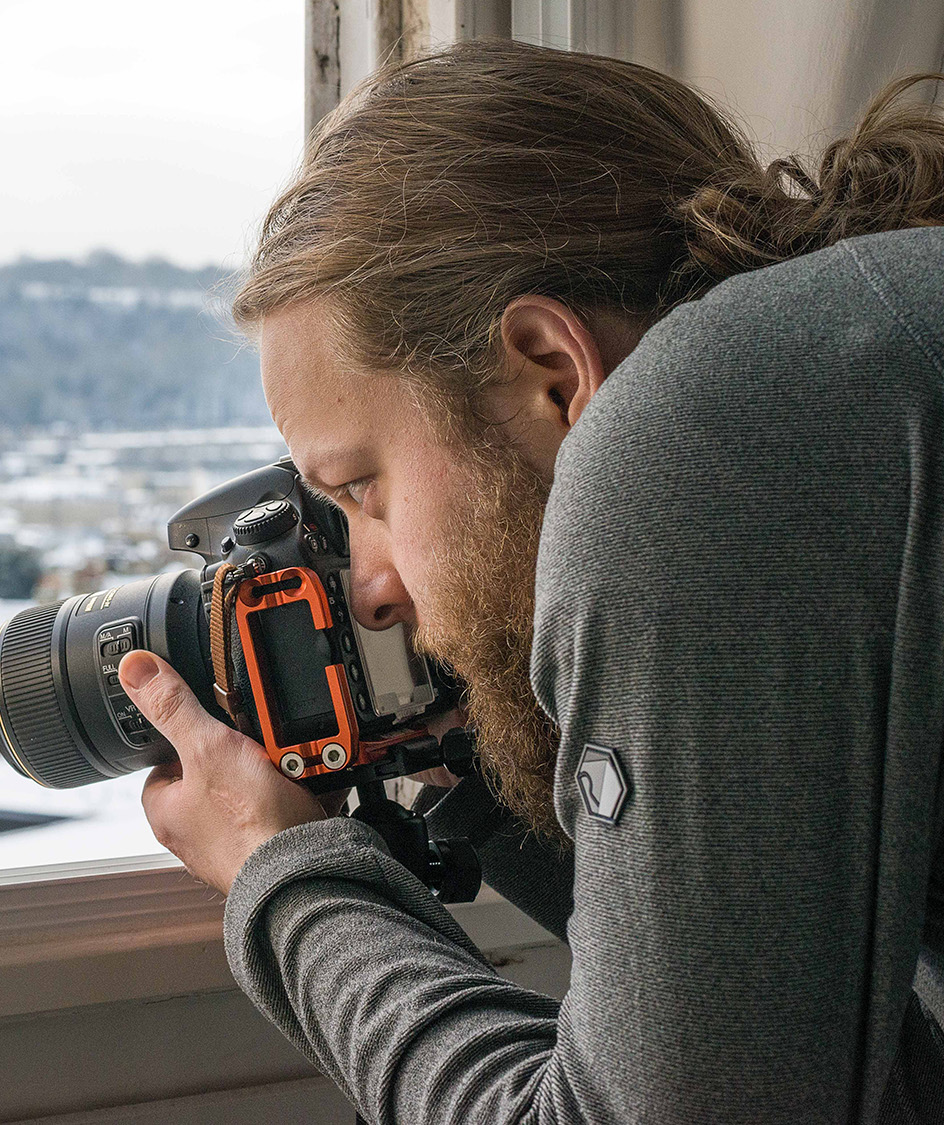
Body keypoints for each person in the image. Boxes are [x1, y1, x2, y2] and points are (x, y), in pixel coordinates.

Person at [116, 39, 944, 1123]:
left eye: (360, 489)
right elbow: (858, 1084)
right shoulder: (843, 382)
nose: (366, 588)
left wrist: (284, 875)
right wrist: (474, 774)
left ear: (552, 376)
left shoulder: (702, 428)